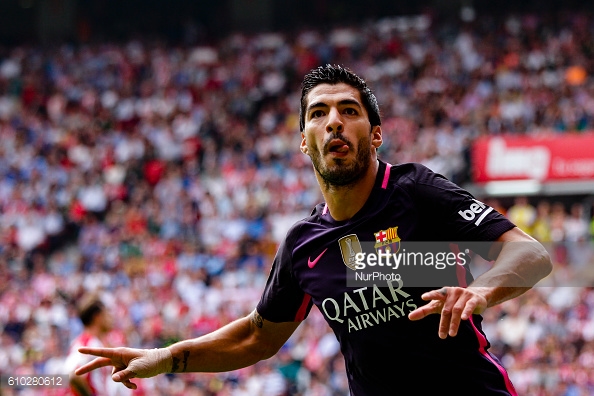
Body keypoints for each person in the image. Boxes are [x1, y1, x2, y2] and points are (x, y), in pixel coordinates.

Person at [75, 65, 552, 395]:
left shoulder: (415, 191)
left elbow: (530, 255)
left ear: (375, 132)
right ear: (304, 141)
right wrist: (168, 358)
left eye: (349, 110)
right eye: (318, 114)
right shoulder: (303, 245)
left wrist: (481, 291)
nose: (334, 123)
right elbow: (257, 337)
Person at [64, 296, 132, 396]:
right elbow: (73, 376)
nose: (111, 318)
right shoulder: (88, 343)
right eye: (107, 313)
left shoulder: (95, 343)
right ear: (98, 317)